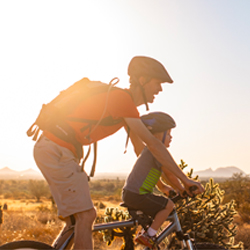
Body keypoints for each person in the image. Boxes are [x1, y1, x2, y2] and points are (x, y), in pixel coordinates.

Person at [32, 56, 204, 250]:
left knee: (76, 222)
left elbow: (142, 151)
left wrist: (162, 186)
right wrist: (186, 180)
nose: (160, 89)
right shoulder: (122, 100)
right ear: (142, 80)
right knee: (87, 215)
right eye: (158, 83)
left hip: (55, 150)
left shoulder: (126, 109)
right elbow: (154, 146)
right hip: (57, 150)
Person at [122, 112, 202, 248]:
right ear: (158, 135)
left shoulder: (152, 151)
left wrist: (167, 188)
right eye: (169, 133)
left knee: (158, 208)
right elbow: (170, 174)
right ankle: (149, 235)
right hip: (137, 195)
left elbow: (165, 175)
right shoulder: (156, 150)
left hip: (132, 194)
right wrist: (182, 188)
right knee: (168, 205)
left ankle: (147, 233)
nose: (171, 137)